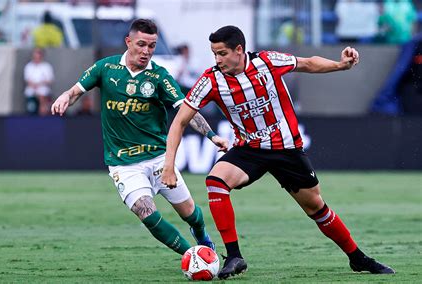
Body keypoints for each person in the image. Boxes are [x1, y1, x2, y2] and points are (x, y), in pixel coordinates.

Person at [161, 25, 395, 279]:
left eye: (222, 53)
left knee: (316, 207)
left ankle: (357, 258)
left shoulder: (267, 62)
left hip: (286, 149)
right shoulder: (210, 80)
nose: (217, 59)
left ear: (239, 50)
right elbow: (179, 122)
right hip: (248, 149)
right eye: (214, 53)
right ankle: (234, 255)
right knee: (216, 181)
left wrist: (340, 65)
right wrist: (169, 165)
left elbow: (307, 63)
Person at [51, 19, 228, 256]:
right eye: (141, 44)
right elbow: (76, 91)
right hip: (123, 164)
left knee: (189, 212)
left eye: (152, 46)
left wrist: (212, 135)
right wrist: (65, 96)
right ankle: (194, 256)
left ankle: (201, 234)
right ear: (128, 42)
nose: (146, 51)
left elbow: (186, 111)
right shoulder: (106, 68)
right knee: (146, 213)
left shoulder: (159, 77)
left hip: (158, 159)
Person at [24, 48, 54, 116]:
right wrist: (35, 86)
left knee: (43, 96)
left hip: (44, 93)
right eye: (35, 56)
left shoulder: (47, 66)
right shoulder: (29, 66)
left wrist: (39, 85)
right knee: (31, 110)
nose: (36, 58)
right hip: (31, 92)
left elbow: (49, 80)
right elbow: (27, 80)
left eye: (38, 56)